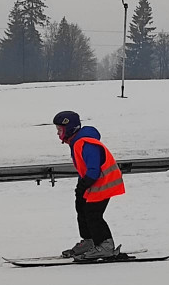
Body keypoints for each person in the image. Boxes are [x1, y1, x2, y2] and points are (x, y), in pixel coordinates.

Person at [53, 111, 125, 259]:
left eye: (60, 130)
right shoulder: (76, 142)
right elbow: (84, 168)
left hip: (103, 184)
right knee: (81, 208)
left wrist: (84, 184)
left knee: (93, 214)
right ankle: (90, 241)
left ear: (70, 128)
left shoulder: (85, 143)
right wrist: (81, 185)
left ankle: (105, 246)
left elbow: (93, 168)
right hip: (93, 183)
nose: (58, 134)